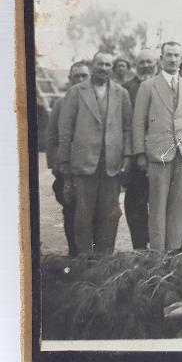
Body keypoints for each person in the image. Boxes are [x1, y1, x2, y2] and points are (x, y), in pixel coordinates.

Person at [57, 52, 133, 255]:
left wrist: (127, 157)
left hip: (111, 164)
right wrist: (65, 162)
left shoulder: (121, 93)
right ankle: (84, 259)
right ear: (93, 65)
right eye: (100, 64)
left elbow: (127, 128)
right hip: (84, 163)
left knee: (109, 214)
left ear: (112, 68)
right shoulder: (76, 92)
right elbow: (66, 129)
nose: (103, 68)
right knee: (84, 215)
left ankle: (104, 259)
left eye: (108, 65)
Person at [132, 42, 182, 252]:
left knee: (180, 205)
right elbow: (138, 122)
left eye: (176, 55)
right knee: (158, 205)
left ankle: (175, 250)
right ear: (161, 58)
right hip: (158, 153)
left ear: (181, 58)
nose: (172, 59)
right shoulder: (148, 86)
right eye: (168, 55)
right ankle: (158, 253)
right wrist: (140, 153)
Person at [46, 60, 90, 257]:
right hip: (68, 169)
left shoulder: (96, 103)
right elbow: (52, 137)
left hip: (91, 168)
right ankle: (74, 252)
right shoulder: (60, 104)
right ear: (70, 79)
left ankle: (91, 254)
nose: (80, 80)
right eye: (77, 76)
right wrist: (57, 166)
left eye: (84, 76)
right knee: (71, 211)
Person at [123, 48, 158, 250]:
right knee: (135, 202)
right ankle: (139, 245)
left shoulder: (164, 84)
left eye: (149, 61)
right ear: (136, 65)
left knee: (159, 201)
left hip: (161, 154)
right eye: (141, 62)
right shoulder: (126, 89)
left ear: (156, 64)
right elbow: (126, 124)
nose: (146, 65)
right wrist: (136, 154)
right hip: (137, 155)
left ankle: (159, 246)